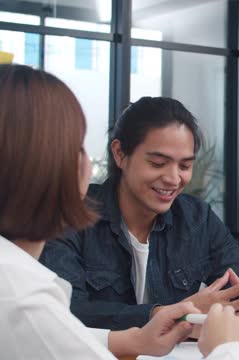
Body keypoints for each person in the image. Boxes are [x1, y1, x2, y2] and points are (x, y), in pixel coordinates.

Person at [0, 63, 207, 359]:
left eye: (185, 165)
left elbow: (57, 337)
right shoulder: (22, 299)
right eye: (78, 147)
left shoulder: (16, 283)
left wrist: (134, 341)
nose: (173, 178)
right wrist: (229, 346)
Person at [40, 96, 239, 331]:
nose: (174, 179)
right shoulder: (72, 215)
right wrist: (172, 314)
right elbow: (65, 310)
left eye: (185, 166)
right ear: (119, 154)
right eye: (158, 163)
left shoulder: (198, 219)